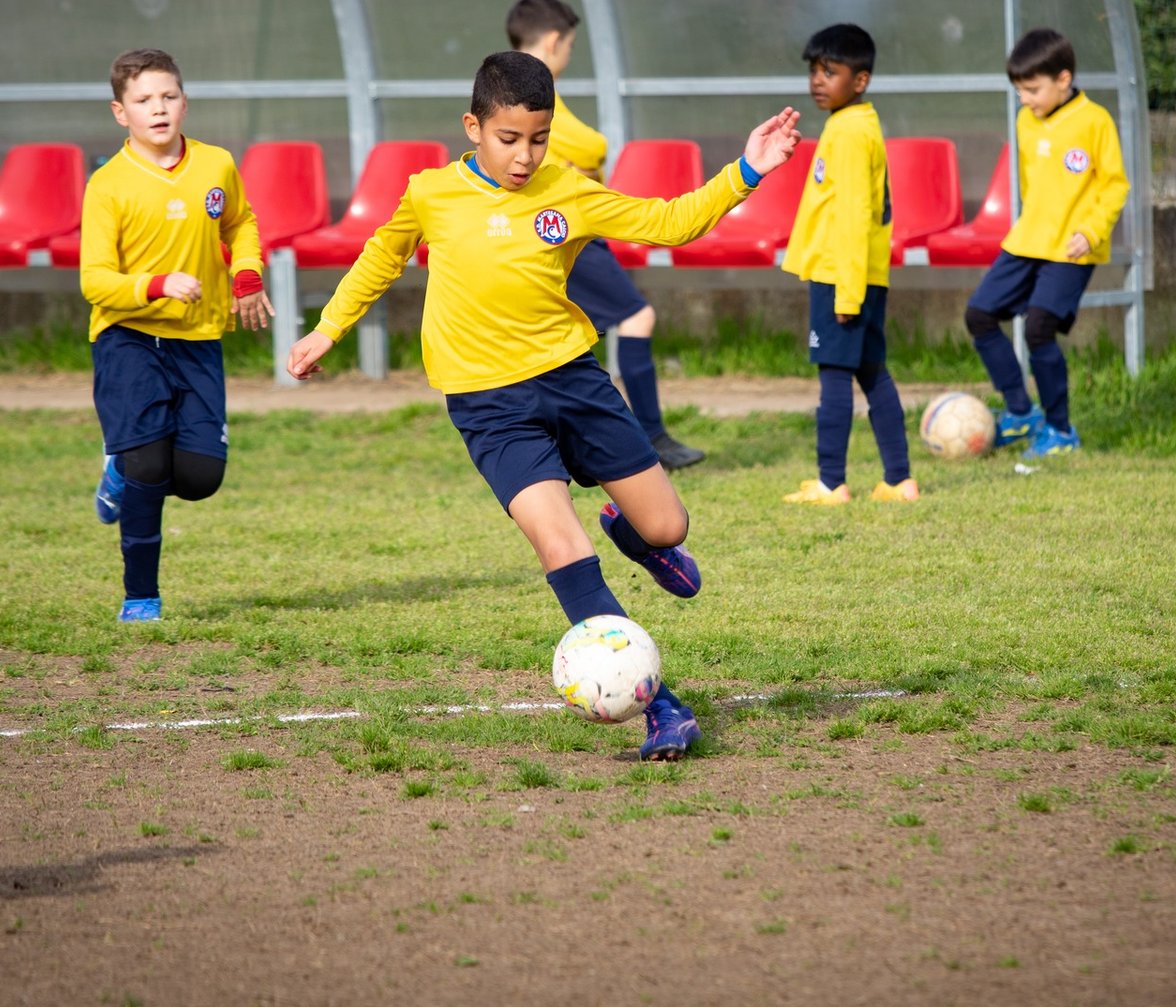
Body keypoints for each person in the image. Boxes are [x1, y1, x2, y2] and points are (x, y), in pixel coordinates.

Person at [287, 51, 800, 761]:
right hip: (489, 404)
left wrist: (747, 169)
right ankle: (662, 707)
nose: (525, 156)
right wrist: (328, 328)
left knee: (668, 524)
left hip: (572, 382)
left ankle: (635, 533)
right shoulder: (431, 193)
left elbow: (670, 222)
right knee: (561, 545)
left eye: (539, 137)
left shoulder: (569, 189)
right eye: (509, 138)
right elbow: (382, 256)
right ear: (473, 127)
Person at [81, 48, 272, 622]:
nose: (158, 109)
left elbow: (241, 223)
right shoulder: (107, 185)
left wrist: (246, 275)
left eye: (168, 96)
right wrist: (157, 285)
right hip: (128, 337)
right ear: (121, 113)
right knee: (148, 465)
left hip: (197, 339)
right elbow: (95, 281)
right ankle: (140, 596)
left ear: (185, 103)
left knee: (198, 478)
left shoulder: (216, 164)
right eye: (144, 100)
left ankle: (120, 470)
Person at [506, 0, 705, 470]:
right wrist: (588, 160)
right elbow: (587, 145)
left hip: (543, 228)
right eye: (570, 45)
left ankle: (571, 443)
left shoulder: (505, 87)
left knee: (564, 342)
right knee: (636, 317)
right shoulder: (537, 90)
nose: (568, 54)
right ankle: (652, 437)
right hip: (562, 230)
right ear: (553, 40)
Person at [965, 27, 1130, 456]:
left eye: (1033, 89)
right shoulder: (1026, 121)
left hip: (1072, 249)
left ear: (1063, 79)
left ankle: (1060, 432)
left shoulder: (1094, 121)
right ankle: (1021, 412)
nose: (1025, 99)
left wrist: (1090, 231)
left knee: (1039, 328)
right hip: (1027, 240)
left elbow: (1114, 185)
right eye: (1019, 90)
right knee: (980, 314)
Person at [779, 24, 917, 505]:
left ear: (860, 80)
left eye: (830, 72)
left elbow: (857, 217)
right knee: (872, 371)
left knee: (834, 375)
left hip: (842, 277)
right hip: (856, 275)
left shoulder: (852, 133)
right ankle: (899, 480)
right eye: (814, 71)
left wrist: (847, 293)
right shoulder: (849, 124)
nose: (818, 81)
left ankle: (831, 482)